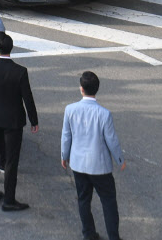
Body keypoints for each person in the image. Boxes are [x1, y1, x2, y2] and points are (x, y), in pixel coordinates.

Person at [0, 31, 39, 211]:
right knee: (11, 160)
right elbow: (27, 98)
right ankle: (9, 199)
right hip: (13, 120)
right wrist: (33, 120)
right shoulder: (20, 71)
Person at [61, 71, 125, 240]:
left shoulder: (70, 109)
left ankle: (88, 234)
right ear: (97, 89)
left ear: (81, 89)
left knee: (83, 200)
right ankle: (114, 236)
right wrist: (120, 160)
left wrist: (64, 155)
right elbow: (112, 140)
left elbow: (66, 135)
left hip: (78, 164)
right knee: (108, 202)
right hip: (100, 166)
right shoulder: (104, 114)